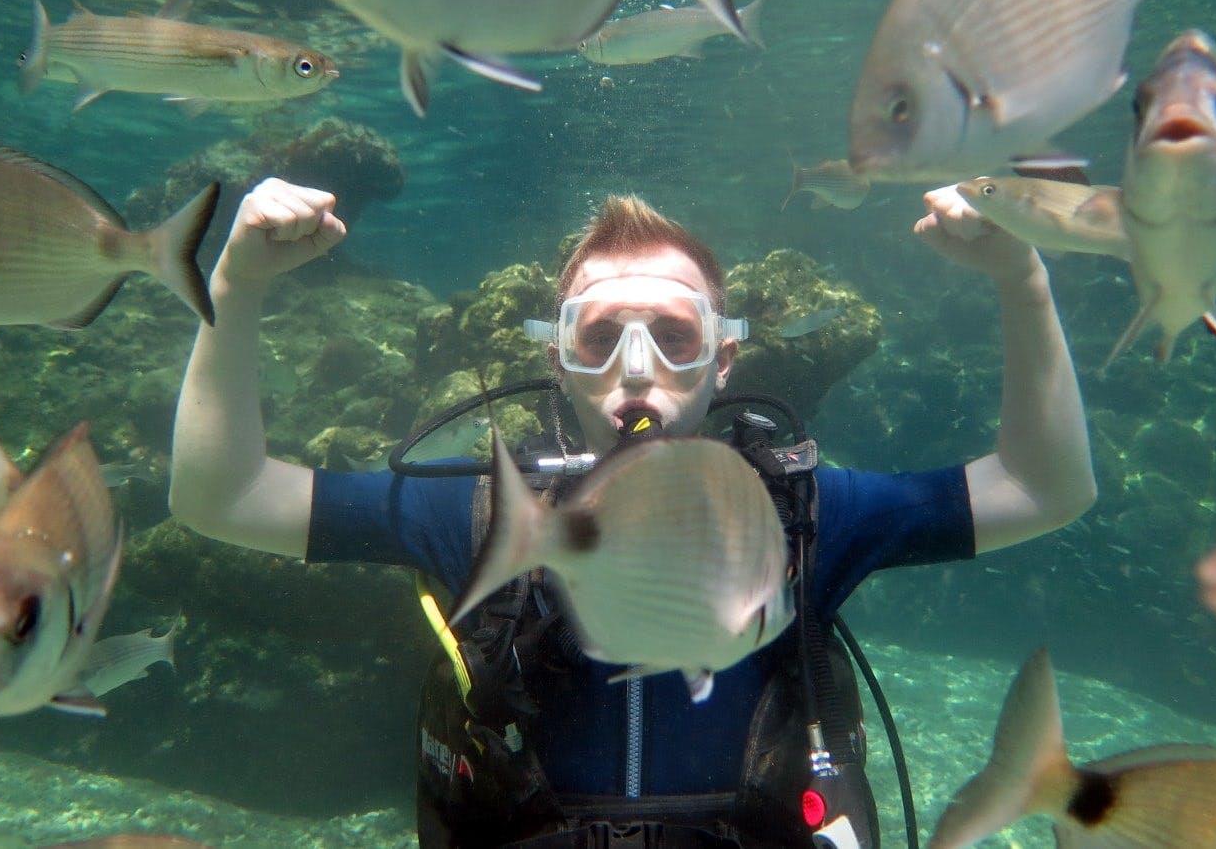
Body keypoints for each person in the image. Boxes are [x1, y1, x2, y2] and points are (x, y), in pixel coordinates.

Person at [169, 178, 1096, 847]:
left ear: (723, 363)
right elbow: (224, 497)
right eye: (601, 336)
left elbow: (1042, 486)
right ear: (562, 358)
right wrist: (237, 285)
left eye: (676, 336)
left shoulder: (799, 508)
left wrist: (1023, 282)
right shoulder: (481, 511)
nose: (639, 366)